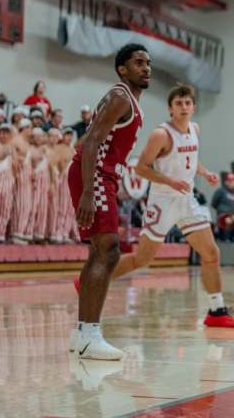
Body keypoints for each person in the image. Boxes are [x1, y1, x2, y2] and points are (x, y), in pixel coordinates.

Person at [104, 84, 234, 330]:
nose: (184, 107)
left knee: (211, 253)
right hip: (162, 200)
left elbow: (189, 157)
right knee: (142, 259)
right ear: (170, 108)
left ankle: (216, 310)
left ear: (193, 107)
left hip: (186, 200)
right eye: (178, 104)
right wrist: (170, 181)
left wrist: (205, 172)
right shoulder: (161, 134)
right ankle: (94, 279)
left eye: (188, 103)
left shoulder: (195, 129)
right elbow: (141, 168)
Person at [67, 44, 150, 360]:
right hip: (95, 174)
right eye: (138, 63)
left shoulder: (126, 100)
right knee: (110, 249)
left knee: (99, 251)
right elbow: (89, 143)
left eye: (148, 63)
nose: (146, 68)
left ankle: (81, 335)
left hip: (103, 176)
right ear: (122, 69)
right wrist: (89, 190)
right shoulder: (119, 97)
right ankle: (90, 334)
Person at [0, 124, 14, 243]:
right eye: (2, 132)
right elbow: (0, 155)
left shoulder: (11, 148)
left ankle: (0, 234)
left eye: (6, 133)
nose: (3, 135)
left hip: (8, 183)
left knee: (5, 209)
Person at [211, 172, 234, 242]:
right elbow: (214, 204)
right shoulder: (220, 191)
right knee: (223, 237)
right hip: (224, 218)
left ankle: (233, 238)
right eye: (229, 181)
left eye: (233, 181)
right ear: (226, 182)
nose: (231, 183)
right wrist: (222, 211)